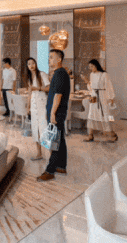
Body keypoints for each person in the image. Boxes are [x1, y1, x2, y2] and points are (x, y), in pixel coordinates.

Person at [38, 49, 71, 182]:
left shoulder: (60, 74)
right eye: (49, 57)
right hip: (58, 112)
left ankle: (50, 170)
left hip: (56, 113)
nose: (49, 59)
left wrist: (52, 113)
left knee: (54, 141)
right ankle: (61, 166)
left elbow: (58, 95)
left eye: (51, 57)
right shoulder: (59, 73)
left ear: (59, 59)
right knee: (60, 139)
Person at [83, 59, 118, 142]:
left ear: (96, 65)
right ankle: (90, 135)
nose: (90, 68)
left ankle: (112, 135)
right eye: (89, 67)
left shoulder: (104, 74)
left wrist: (111, 98)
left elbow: (109, 86)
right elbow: (91, 88)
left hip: (103, 97)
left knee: (105, 116)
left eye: (92, 66)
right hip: (94, 97)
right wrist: (87, 82)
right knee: (91, 115)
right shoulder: (91, 74)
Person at [26, 57, 50, 161]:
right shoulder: (29, 78)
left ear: (36, 64)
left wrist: (37, 88)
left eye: (33, 63)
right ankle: (39, 153)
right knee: (35, 129)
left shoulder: (42, 74)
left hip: (42, 104)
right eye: (29, 64)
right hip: (33, 106)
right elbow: (29, 93)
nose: (31, 65)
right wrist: (28, 107)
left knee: (45, 128)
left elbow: (49, 88)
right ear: (27, 66)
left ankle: (52, 155)